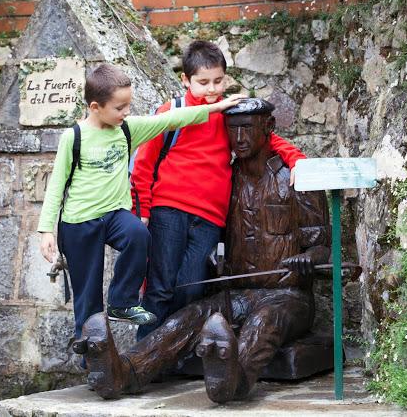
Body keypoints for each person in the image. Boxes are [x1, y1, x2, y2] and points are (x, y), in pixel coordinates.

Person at [73, 98, 331, 403]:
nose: (239, 139)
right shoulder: (227, 178)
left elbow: (321, 247)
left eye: (247, 129)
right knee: (187, 317)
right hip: (236, 295)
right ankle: (125, 371)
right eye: (232, 131)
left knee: (264, 322)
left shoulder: (298, 177)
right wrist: (214, 254)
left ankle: (234, 382)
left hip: (288, 297)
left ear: (269, 128)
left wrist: (308, 258)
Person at [37, 64, 244, 339]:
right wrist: (46, 230)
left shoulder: (127, 130)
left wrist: (216, 108)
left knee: (138, 235)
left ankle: (122, 301)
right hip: (79, 222)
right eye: (120, 108)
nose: (126, 113)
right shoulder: (73, 137)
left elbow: (174, 118)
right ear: (96, 107)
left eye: (128, 106)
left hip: (114, 216)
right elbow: (56, 186)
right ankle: (90, 353)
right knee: (87, 298)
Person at [132, 41, 307, 339]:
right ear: (186, 80)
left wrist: (296, 159)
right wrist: (143, 212)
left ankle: (172, 351)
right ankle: (142, 351)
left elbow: (268, 140)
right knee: (160, 286)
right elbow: (143, 166)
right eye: (202, 83)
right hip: (168, 210)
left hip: (211, 219)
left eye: (218, 81)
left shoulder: (231, 114)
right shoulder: (171, 111)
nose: (212, 89)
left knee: (192, 287)